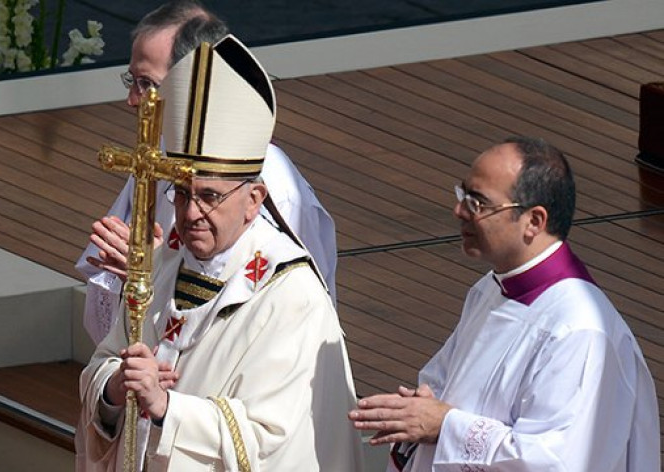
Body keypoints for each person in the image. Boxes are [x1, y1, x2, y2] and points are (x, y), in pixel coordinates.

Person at [75, 34, 363, 471]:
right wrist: (115, 387)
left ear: (254, 200)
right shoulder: (165, 264)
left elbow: (273, 442)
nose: (191, 213)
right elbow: (105, 360)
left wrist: (166, 407)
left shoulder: (291, 296)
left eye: (209, 196)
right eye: (181, 193)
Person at [349, 136, 660, 471]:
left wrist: (445, 425)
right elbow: (446, 386)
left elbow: (555, 460)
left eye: (477, 203)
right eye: (463, 195)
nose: (459, 211)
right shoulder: (492, 288)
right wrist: (417, 409)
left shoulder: (580, 332)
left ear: (534, 221)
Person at [75, 0, 338, 344]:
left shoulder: (275, 189)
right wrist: (137, 275)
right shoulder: (158, 156)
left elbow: (281, 307)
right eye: (132, 80)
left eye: (146, 84)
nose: (133, 99)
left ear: (193, 81)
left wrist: (158, 269)